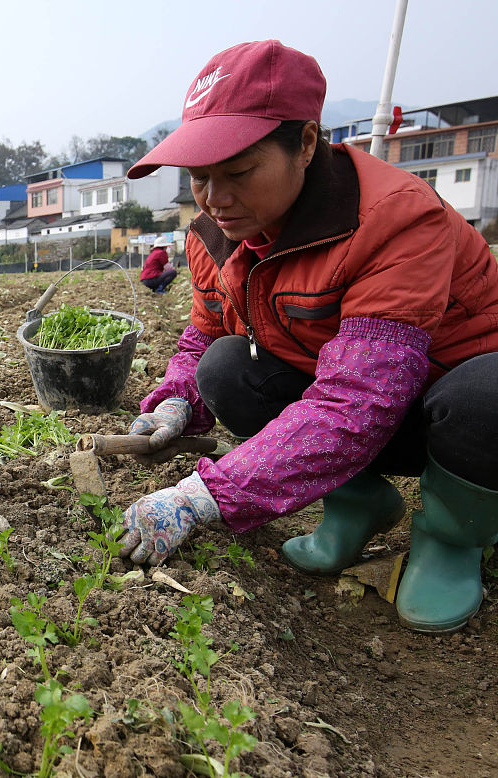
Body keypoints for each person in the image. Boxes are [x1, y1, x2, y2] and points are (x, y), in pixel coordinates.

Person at [116, 40, 498, 634]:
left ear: (306, 144)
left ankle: (452, 536)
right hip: (350, 410)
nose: (215, 199)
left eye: (238, 173)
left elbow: (360, 402)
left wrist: (205, 496)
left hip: (444, 416)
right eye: (199, 177)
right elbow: (206, 331)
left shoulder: (395, 219)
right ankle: (356, 502)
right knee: (225, 368)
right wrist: (176, 399)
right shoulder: (215, 234)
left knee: (487, 395)